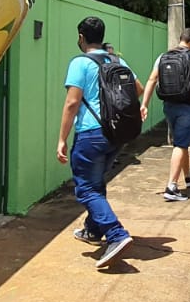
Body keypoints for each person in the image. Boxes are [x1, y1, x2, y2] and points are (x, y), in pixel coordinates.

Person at [56, 16, 137, 268]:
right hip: (116, 135)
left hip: (91, 135)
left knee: (86, 188)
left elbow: (72, 103)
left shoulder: (80, 62)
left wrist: (62, 139)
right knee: (96, 183)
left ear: (81, 36)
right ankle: (92, 230)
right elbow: (140, 89)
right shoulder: (117, 60)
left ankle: (116, 234)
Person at [140, 28, 190, 201]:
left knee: (182, 142)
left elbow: (152, 80)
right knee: (180, 145)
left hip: (169, 107)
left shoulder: (163, 56)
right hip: (188, 107)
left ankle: (188, 177)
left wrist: (144, 104)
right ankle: (171, 187)